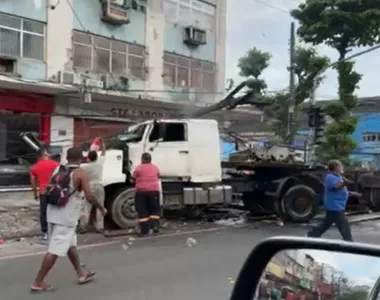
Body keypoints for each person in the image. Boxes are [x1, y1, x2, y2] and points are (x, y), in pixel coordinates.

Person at [30, 147, 107, 293]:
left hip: (52, 212)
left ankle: (81, 273)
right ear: (81, 158)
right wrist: (101, 208)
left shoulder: (57, 169)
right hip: (66, 216)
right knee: (55, 250)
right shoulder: (80, 173)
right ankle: (38, 282)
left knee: (70, 244)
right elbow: (89, 196)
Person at [306, 159, 360, 241]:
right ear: (336, 167)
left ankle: (312, 234)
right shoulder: (330, 177)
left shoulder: (339, 177)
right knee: (343, 224)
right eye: (340, 165)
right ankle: (348, 240)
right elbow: (337, 186)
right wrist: (345, 183)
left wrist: (351, 193)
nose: (342, 167)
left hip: (337, 205)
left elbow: (340, 190)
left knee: (326, 223)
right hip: (334, 206)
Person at [30, 149, 60, 241]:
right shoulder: (56, 164)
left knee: (44, 213)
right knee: (56, 211)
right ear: (46, 154)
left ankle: (45, 233)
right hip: (55, 191)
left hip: (43, 192)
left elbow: (33, 182)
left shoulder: (34, 167)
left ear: (38, 156)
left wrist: (35, 194)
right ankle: (56, 231)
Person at [80, 138, 106, 232]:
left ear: (88, 158)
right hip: (99, 186)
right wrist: (102, 143)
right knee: (100, 206)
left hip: (89, 187)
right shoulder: (100, 163)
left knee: (86, 207)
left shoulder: (84, 166)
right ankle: (100, 227)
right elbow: (103, 152)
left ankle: (83, 226)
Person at [133, 152, 161, 236]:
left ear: (142, 159)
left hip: (141, 192)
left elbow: (134, 177)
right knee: (154, 209)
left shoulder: (138, 168)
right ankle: (154, 226)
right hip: (154, 191)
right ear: (150, 159)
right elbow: (159, 176)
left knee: (142, 210)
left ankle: (144, 230)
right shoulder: (155, 167)